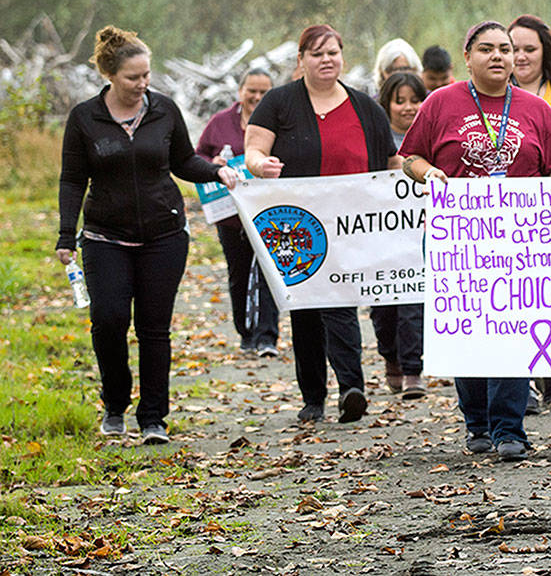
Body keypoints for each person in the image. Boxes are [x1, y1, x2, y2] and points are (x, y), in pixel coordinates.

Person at [399, 21, 551, 461]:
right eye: (486, 49)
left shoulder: (536, 109)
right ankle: (476, 421)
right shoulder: (440, 103)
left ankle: (509, 428)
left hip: (519, 241)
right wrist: (428, 172)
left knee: (512, 333)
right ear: (468, 57)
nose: (498, 56)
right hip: (459, 239)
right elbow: (410, 156)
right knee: (469, 332)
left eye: (505, 49)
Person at [57, 26, 238, 443]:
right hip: (104, 236)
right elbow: (72, 180)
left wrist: (215, 172)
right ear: (110, 75)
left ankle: (154, 417)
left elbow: (183, 161)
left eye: (147, 76)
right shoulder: (86, 118)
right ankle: (115, 403)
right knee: (108, 321)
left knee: (154, 327)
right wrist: (67, 235)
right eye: (133, 78)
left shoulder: (164, 110)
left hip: (164, 234)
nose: (142, 85)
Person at [244, 24, 401, 424]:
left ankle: (352, 388)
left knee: (341, 305)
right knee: (306, 311)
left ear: (342, 57)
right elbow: (253, 149)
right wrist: (262, 165)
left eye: (332, 52)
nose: (326, 60)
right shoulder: (279, 103)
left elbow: (390, 164)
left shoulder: (366, 108)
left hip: (352, 226)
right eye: (316, 54)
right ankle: (312, 396)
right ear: (301, 60)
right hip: (297, 227)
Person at [507, 15, 551, 410]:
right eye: (512, 48)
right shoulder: (494, 92)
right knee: (519, 295)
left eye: (529, 49)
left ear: (545, 53)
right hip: (508, 211)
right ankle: (524, 383)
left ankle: (549, 374)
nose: (520, 57)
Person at [196, 69, 280, 357]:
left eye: (263, 92)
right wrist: (214, 163)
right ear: (240, 91)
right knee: (239, 272)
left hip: (269, 212)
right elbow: (197, 157)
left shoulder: (277, 122)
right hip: (230, 215)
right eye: (251, 91)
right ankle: (245, 332)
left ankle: (267, 336)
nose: (257, 97)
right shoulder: (220, 123)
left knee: (270, 272)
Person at [372, 71, 427, 399]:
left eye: (415, 100)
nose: (408, 108)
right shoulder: (376, 136)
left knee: (413, 303)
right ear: (387, 104)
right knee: (382, 308)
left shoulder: (430, 134)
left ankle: (412, 370)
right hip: (381, 238)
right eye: (400, 101)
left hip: (419, 235)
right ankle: (389, 357)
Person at [509, 15, 551, 116]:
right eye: (514, 50)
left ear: (546, 51)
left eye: (530, 50)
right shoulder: (491, 91)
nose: (521, 57)